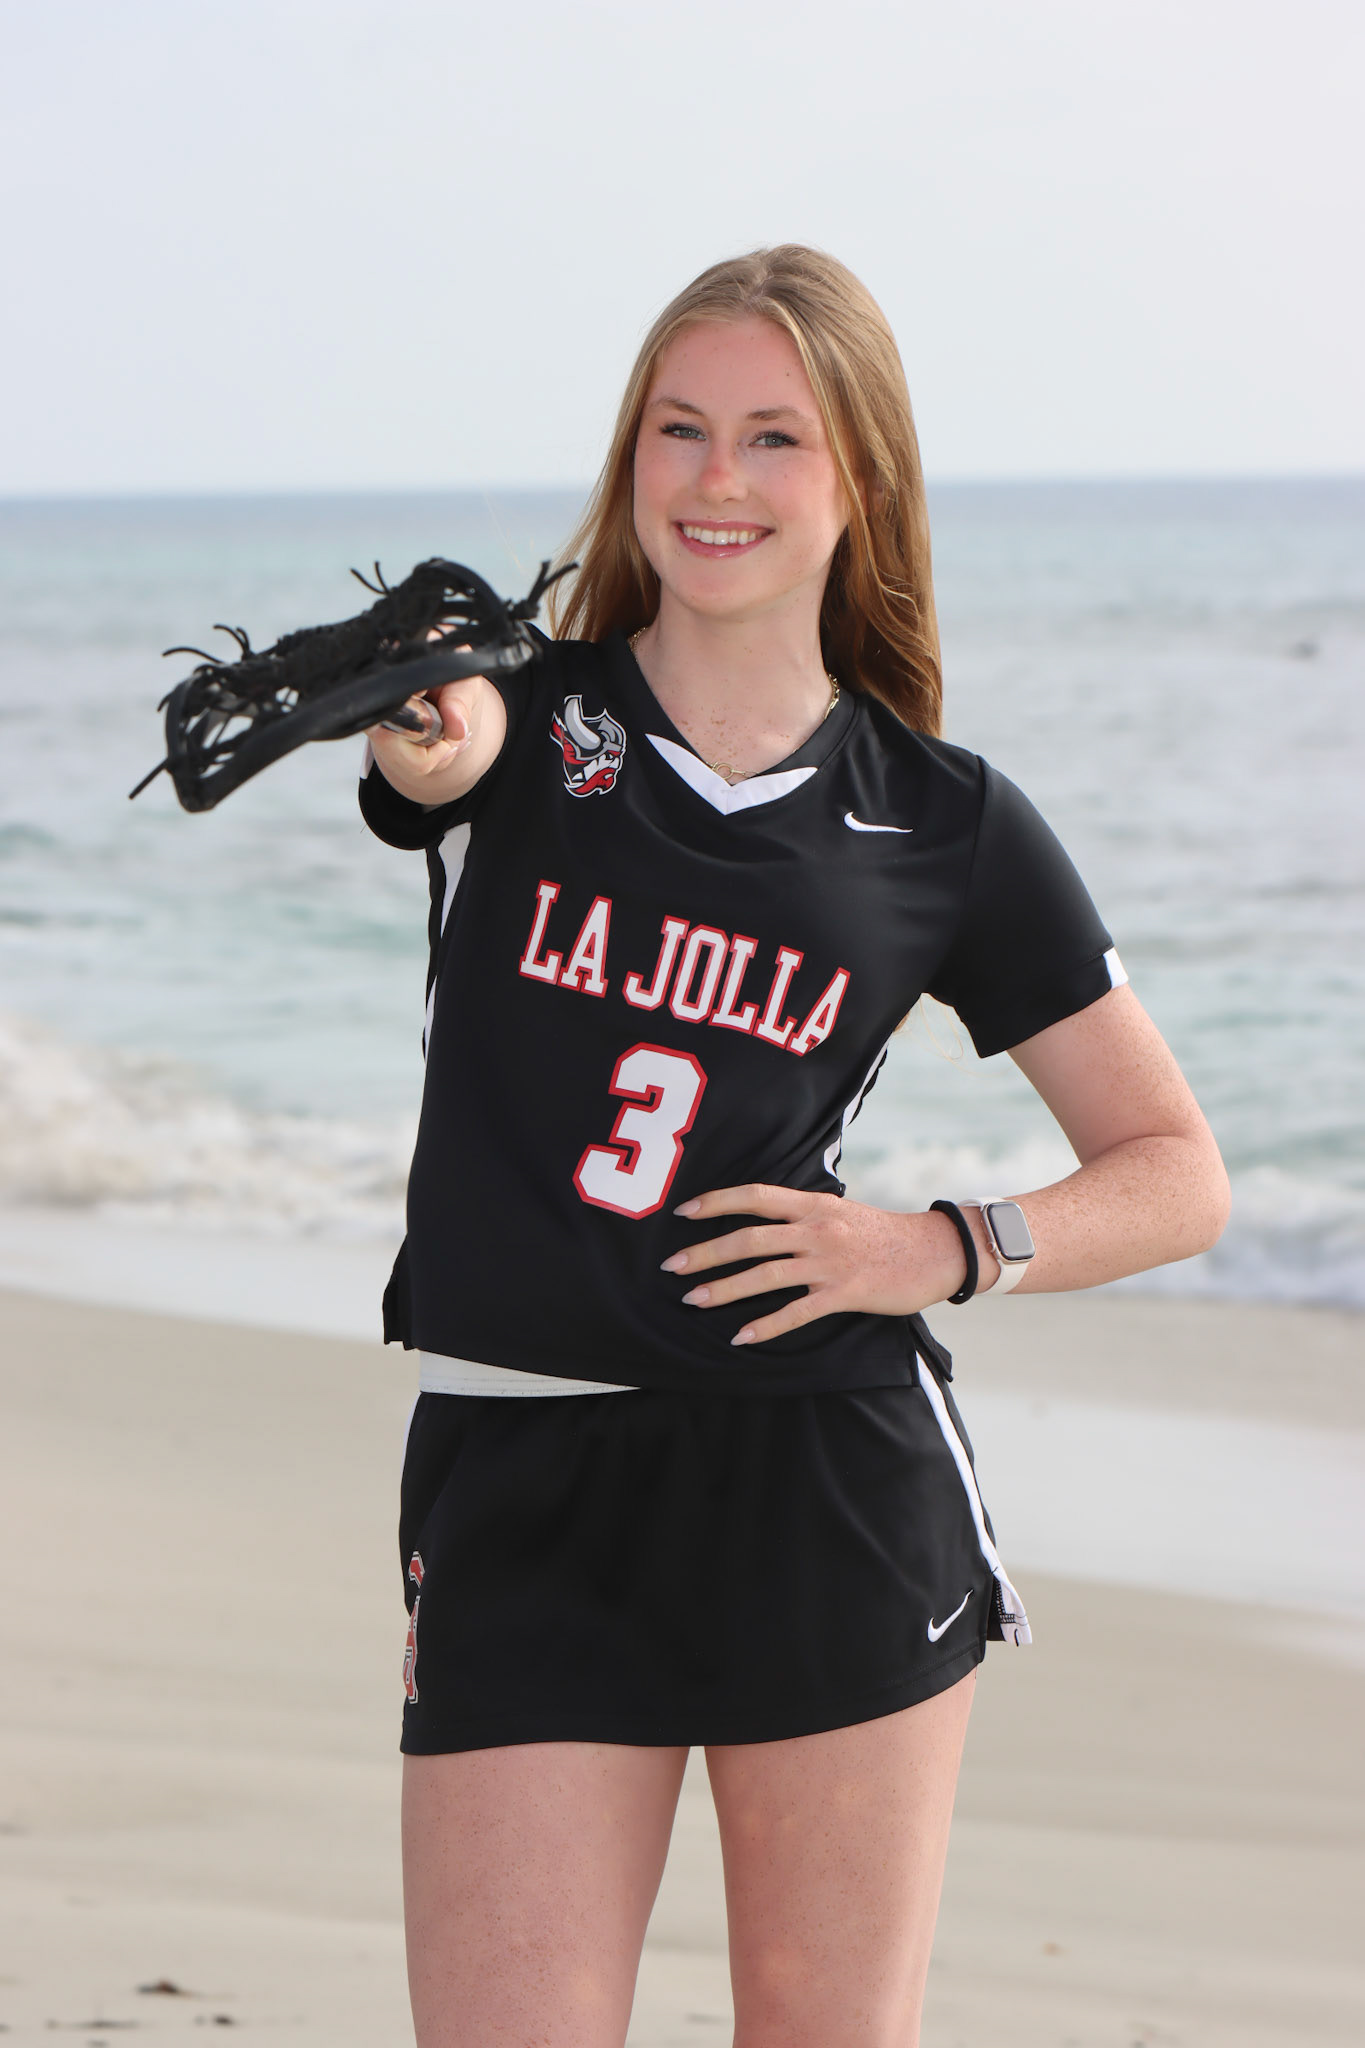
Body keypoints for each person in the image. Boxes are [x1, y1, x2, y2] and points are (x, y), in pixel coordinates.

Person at [359, 245, 1229, 2048]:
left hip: (822, 1483)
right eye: (677, 429)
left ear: (861, 480)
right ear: (630, 457)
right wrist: (423, 742)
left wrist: (937, 1246)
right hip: (522, 1475)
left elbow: (1169, 1170)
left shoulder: (946, 820)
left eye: (773, 437)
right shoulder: (525, 715)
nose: (716, 479)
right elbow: (432, 762)